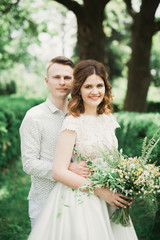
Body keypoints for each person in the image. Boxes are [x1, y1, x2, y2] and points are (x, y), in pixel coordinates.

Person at [28, 59, 138, 240]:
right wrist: (100, 191)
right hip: (83, 198)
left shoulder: (107, 118)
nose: (95, 92)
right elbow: (58, 171)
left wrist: (124, 189)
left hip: (110, 195)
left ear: (106, 87)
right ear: (78, 89)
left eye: (99, 85)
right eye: (88, 87)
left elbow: (112, 159)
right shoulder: (72, 122)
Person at [20, 56, 89, 229]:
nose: (62, 82)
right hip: (45, 200)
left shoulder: (81, 115)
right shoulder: (33, 117)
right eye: (57, 77)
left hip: (79, 199)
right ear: (47, 81)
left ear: (74, 81)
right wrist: (65, 170)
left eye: (67, 78)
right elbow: (29, 164)